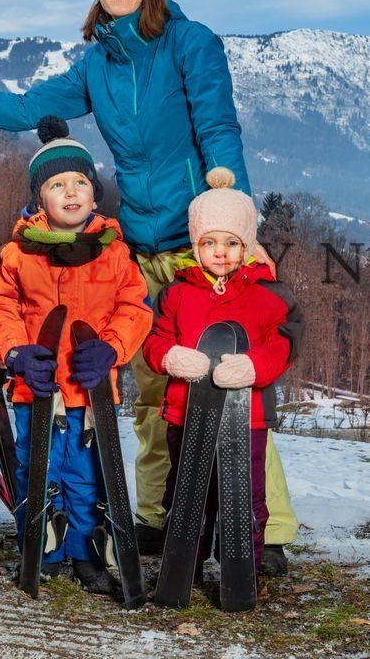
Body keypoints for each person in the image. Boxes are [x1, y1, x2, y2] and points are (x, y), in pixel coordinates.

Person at [0, 0, 298, 572]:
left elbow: (220, 130)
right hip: (137, 246)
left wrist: (237, 228)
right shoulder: (96, 64)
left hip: (202, 243)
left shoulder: (190, 43)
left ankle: (264, 526)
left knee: (231, 383)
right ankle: (160, 516)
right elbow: (28, 108)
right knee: (149, 391)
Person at [0, 117, 152, 595]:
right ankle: (41, 548)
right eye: (58, 184)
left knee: (87, 476)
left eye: (81, 182)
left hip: (90, 392)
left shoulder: (115, 254)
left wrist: (113, 348)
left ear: (95, 196)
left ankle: (84, 551)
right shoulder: (20, 255)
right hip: (36, 390)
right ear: (41, 199)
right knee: (37, 469)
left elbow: (134, 308)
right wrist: (16, 351)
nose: (71, 192)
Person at [142, 168, 302, 581]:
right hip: (185, 414)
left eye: (232, 243)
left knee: (243, 497)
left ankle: (240, 568)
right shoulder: (176, 293)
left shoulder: (267, 296)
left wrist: (254, 365)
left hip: (245, 419)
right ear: (195, 244)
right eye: (209, 242)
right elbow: (154, 341)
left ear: (247, 245)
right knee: (187, 492)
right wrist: (172, 358)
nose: (221, 252)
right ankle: (183, 568)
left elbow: (284, 343)